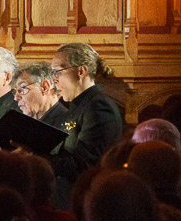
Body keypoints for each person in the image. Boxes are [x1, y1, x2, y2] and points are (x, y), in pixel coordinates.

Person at [46, 41, 124, 208]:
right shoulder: (77, 105)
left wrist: (37, 159)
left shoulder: (98, 108)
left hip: (87, 205)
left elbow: (84, 165)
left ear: (81, 71)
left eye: (58, 72)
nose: (54, 80)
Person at [13, 61, 70, 126]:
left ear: (44, 87)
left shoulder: (68, 122)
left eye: (22, 88)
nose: (16, 97)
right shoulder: (21, 125)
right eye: (15, 91)